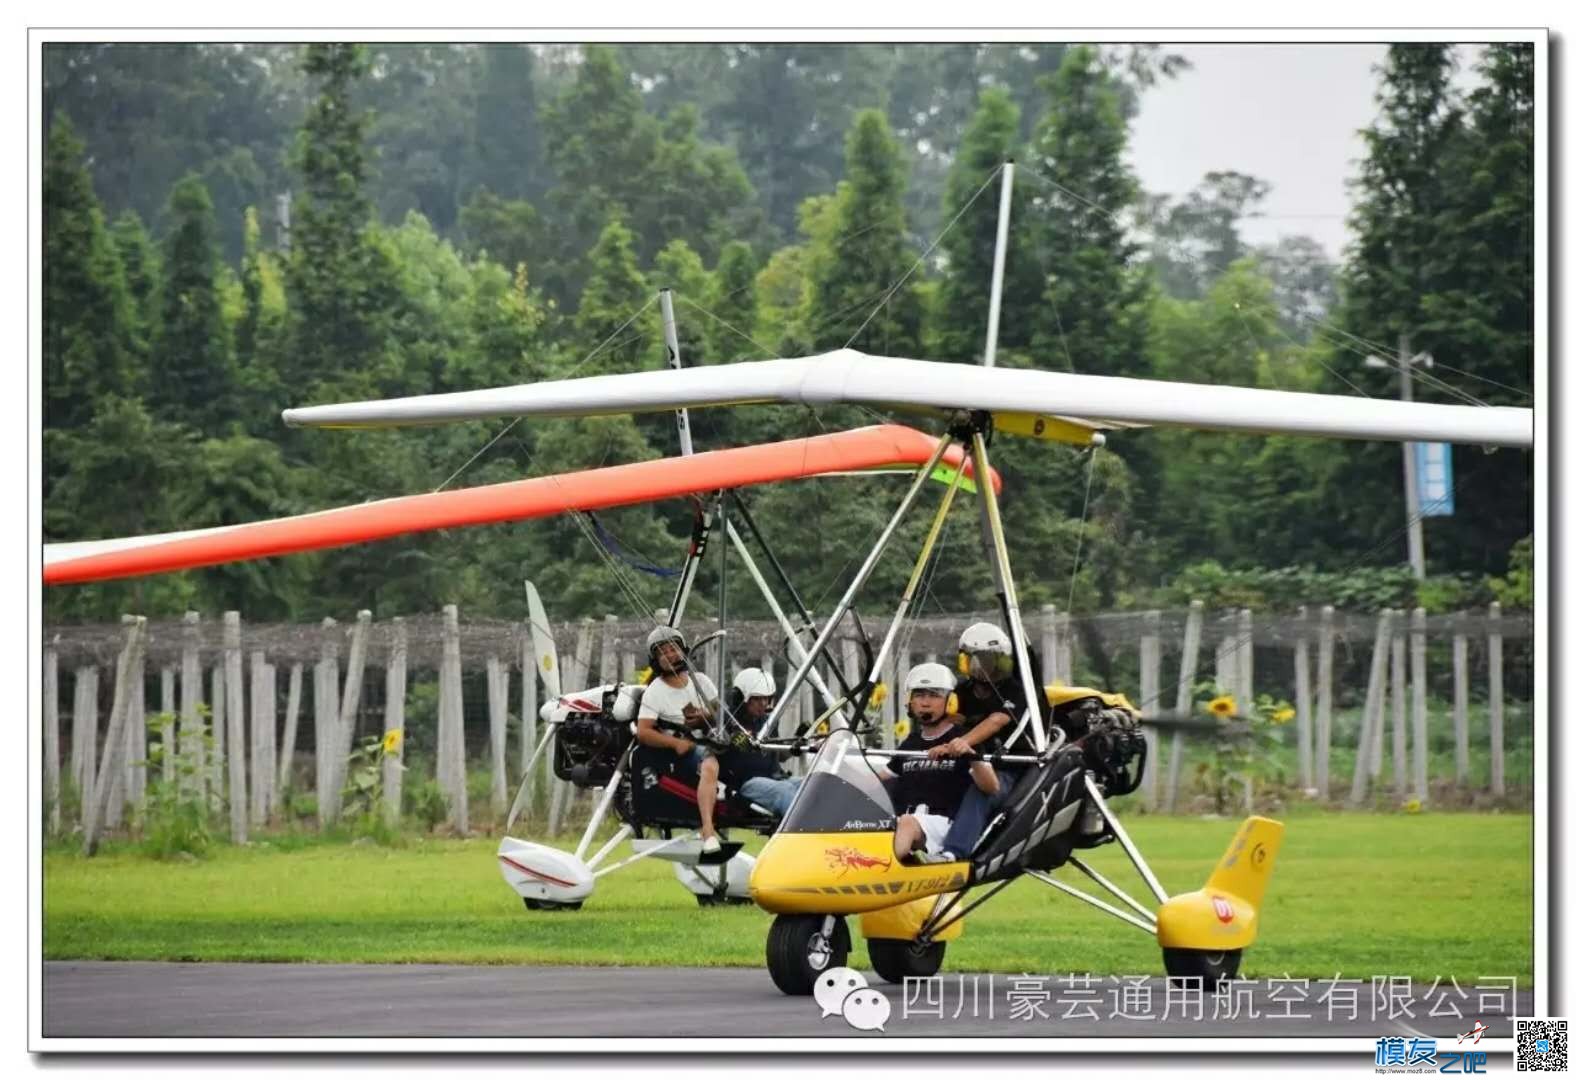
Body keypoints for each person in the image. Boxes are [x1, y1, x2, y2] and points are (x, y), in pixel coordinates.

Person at [924, 621, 1042, 862]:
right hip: (973, 761)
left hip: (1010, 766)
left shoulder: (1015, 690)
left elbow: (997, 721)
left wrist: (959, 743)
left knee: (982, 791)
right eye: (983, 660)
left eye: (995, 660)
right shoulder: (964, 692)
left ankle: (953, 853)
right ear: (967, 661)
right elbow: (952, 720)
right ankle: (922, 840)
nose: (989, 666)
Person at [878, 662, 998, 863]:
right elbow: (880, 778)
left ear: (950, 702)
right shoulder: (911, 742)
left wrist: (970, 755)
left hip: (945, 826)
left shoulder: (964, 738)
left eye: (934, 695)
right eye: (919, 695)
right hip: (905, 823)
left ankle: (880, 870)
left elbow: (991, 787)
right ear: (910, 701)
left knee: (906, 823)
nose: (925, 702)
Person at [633, 625, 724, 852]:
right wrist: (675, 743)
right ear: (655, 660)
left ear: (684, 650)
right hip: (684, 753)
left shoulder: (701, 681)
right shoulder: (655, 691)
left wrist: (706, 716)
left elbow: (721, 713)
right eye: (663, 652)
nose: (670, 655)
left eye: (674, 649)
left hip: (715, 742)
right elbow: (644, 731)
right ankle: (708, 831)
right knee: (710, 765)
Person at [715, 667, 803, 819]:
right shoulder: (727, 722)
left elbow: (779, 755)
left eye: (766, 698)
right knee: (785, 790)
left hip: (776, 777)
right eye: (757, 699)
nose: (763, 703)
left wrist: (799, 743)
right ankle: (804, 836)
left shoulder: (768, 722)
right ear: (741, 698)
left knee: (812, 784)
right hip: (747, 783)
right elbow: (719, 749)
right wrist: (737, 740)